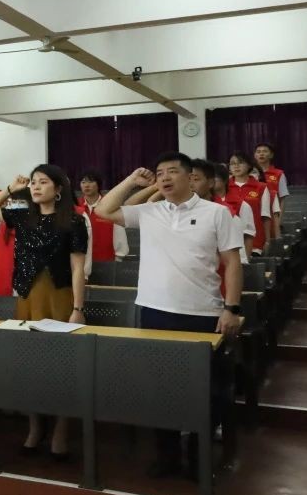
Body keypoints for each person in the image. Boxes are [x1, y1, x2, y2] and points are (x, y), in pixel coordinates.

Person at [94, 152, 243, 477]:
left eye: (172, 172)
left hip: (202, 313)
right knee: (161, 389)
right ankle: (168, 457)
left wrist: (231, 308)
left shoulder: (216, 213)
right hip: (154, 313)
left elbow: (232, 262)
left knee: (205, 391)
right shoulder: (150, 212)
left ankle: (200, 458)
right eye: (160, 172)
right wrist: (133, 181)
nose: (164, 177)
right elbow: (102, 210)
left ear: (190, 177)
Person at [0, 166, 88, 459]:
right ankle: (35, 428)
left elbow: (78, 268)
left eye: (43, 182)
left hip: (59, 296)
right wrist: (11, 189)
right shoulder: (23, 216)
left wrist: (78, 308)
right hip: (27, 296)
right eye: (34, 182)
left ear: (59, 189)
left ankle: (60, 430)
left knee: (62, 367)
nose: (36, 187)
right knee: (30, 366)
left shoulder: (74, 221)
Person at [76, 171, 129, 262]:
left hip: (107, 260)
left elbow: (119, 234)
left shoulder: (110, 205)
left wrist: (119, 257)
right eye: (83, 182)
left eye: (91, 181)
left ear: (99, 184)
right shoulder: (75, 206)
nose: (86, 185)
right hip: (81, 262)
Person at [225, 151, 271, 254]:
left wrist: (267, 241)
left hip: (255, 243)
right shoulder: (224, 187)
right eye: (232, 163)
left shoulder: (261, 187)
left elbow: (265, 216)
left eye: (240, 162)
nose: (236, 166)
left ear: (249, 165)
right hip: (229, 242)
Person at [252, 143, 289, 237]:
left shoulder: (278, 174)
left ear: (271, 155)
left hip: (272, 217)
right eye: (258, 152)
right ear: (255, 155)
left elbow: (282, 199)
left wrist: (279, 220)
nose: (261, 154)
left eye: (265, 151)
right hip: (254, 216)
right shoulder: (249, 174)